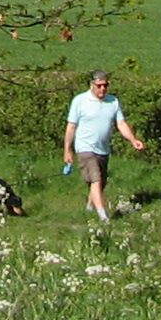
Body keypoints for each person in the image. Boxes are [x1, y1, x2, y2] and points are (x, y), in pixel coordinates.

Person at [62, 69, 145, 221]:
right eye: (99, 86)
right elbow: (71, 127)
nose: (103, 89)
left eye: (105, 85)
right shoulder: (80, 101)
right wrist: (67, 150)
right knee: (96, 179)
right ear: (92, 85)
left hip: (103, 149)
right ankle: (104, 217)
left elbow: (120, 123)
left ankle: (89, 207)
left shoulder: (113, 102)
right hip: (85, 148)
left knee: (100, 182)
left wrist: (133, 140)